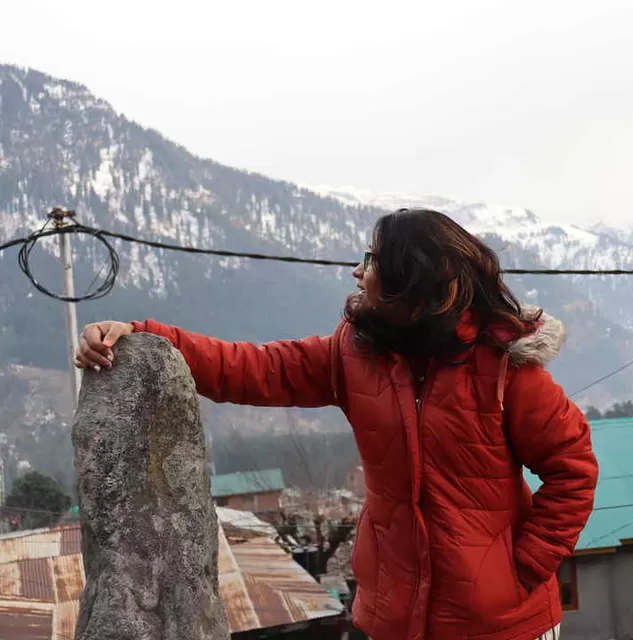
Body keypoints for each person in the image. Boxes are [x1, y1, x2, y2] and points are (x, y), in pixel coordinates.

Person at [75, 208, 599, 640]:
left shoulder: (506, 370)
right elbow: (252, 368)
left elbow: (573, 468)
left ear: (412, 282)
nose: (357, 271)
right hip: (393, 617)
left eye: (371, 259)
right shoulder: (354, 354)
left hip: (501, 625)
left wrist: (522, 568)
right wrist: (143, 335)